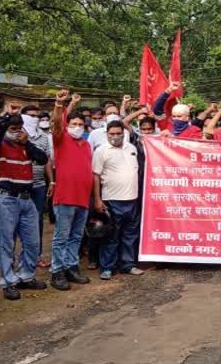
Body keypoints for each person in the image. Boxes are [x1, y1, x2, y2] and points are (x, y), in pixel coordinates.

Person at [0, 103, 49, 300]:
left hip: (27, 199)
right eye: (12, 129)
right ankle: (8, 281)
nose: (16, 133)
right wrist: (6, 115)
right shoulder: (0, 146)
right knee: (6, 243)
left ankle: (26, 276)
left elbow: (42, 158)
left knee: (32, 242)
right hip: (7, 199)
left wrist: (27, 143)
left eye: (19, 129)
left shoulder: (27, 147)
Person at [50, 90, 94, 290]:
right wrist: (60, 104)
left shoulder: (86, 145)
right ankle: (57, 271)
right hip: (65, 197)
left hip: (83, 198)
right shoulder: (61, 140)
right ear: (68, 126)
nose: (77, 127)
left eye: (80, 125)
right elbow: (57, 123)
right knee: (62, 236)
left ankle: (71, 267)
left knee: (76, 236)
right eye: (73, 124)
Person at [93, 120, 144, 279]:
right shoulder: (101, 151)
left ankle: (128, 265)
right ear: (106, 134)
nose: (115, 137)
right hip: (111, 200)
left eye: (118, 134)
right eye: (112, 134)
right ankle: (108, 267)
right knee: (111, 236)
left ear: (124, 133)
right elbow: (95, 176)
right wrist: (97, 199)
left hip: (132, 198)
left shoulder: (132, 148)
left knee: (130, 235)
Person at [21, 105, 55, 269]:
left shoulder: (43, 136)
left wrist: (52, 181)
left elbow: (47, 159)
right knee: (15, 222)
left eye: (37, 115)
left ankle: (36, 255)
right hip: (18, 185)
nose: (34, 118)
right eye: (30, 115)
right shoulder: (16, 133)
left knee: (37, 221)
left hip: (39, 184)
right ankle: (16, 257)